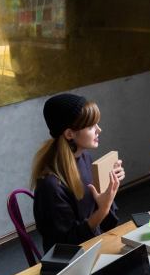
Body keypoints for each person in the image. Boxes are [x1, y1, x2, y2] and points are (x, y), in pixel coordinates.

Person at [32, 93, 125, 252]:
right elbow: (67, 245)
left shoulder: (84, 157)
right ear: (69, 134)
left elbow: (104, 221)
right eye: (91, 126)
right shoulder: (50, 185)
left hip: (94, 244)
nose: (99, 130)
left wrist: (109, 188)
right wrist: (103, 209)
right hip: (71, 259)